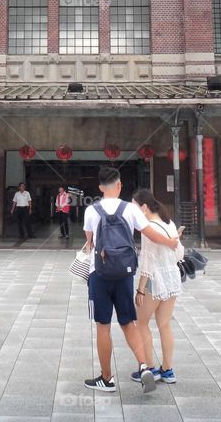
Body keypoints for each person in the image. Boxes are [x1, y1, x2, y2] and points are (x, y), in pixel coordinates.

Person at [83, 167, 180, 394]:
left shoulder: (91, 210)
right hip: (125, 274)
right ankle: (144, 365)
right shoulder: (130, 209)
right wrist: (171, 242)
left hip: (99, 274)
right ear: (119, 186)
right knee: (128, 323)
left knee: (103, 325)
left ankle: (106, 379)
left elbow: (90, 243)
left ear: (100, 188)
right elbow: (151, 234)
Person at [132, 188, 184, 385]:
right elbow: (178, 252)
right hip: (171, 277)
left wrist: (140, 289)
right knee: (165, 325)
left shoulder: (148, 228)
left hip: (154, 279)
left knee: (142, 323)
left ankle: (151, 369)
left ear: (143, 207)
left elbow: (147, 261)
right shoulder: (169, 222)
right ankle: (168, 370)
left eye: (135, 207)